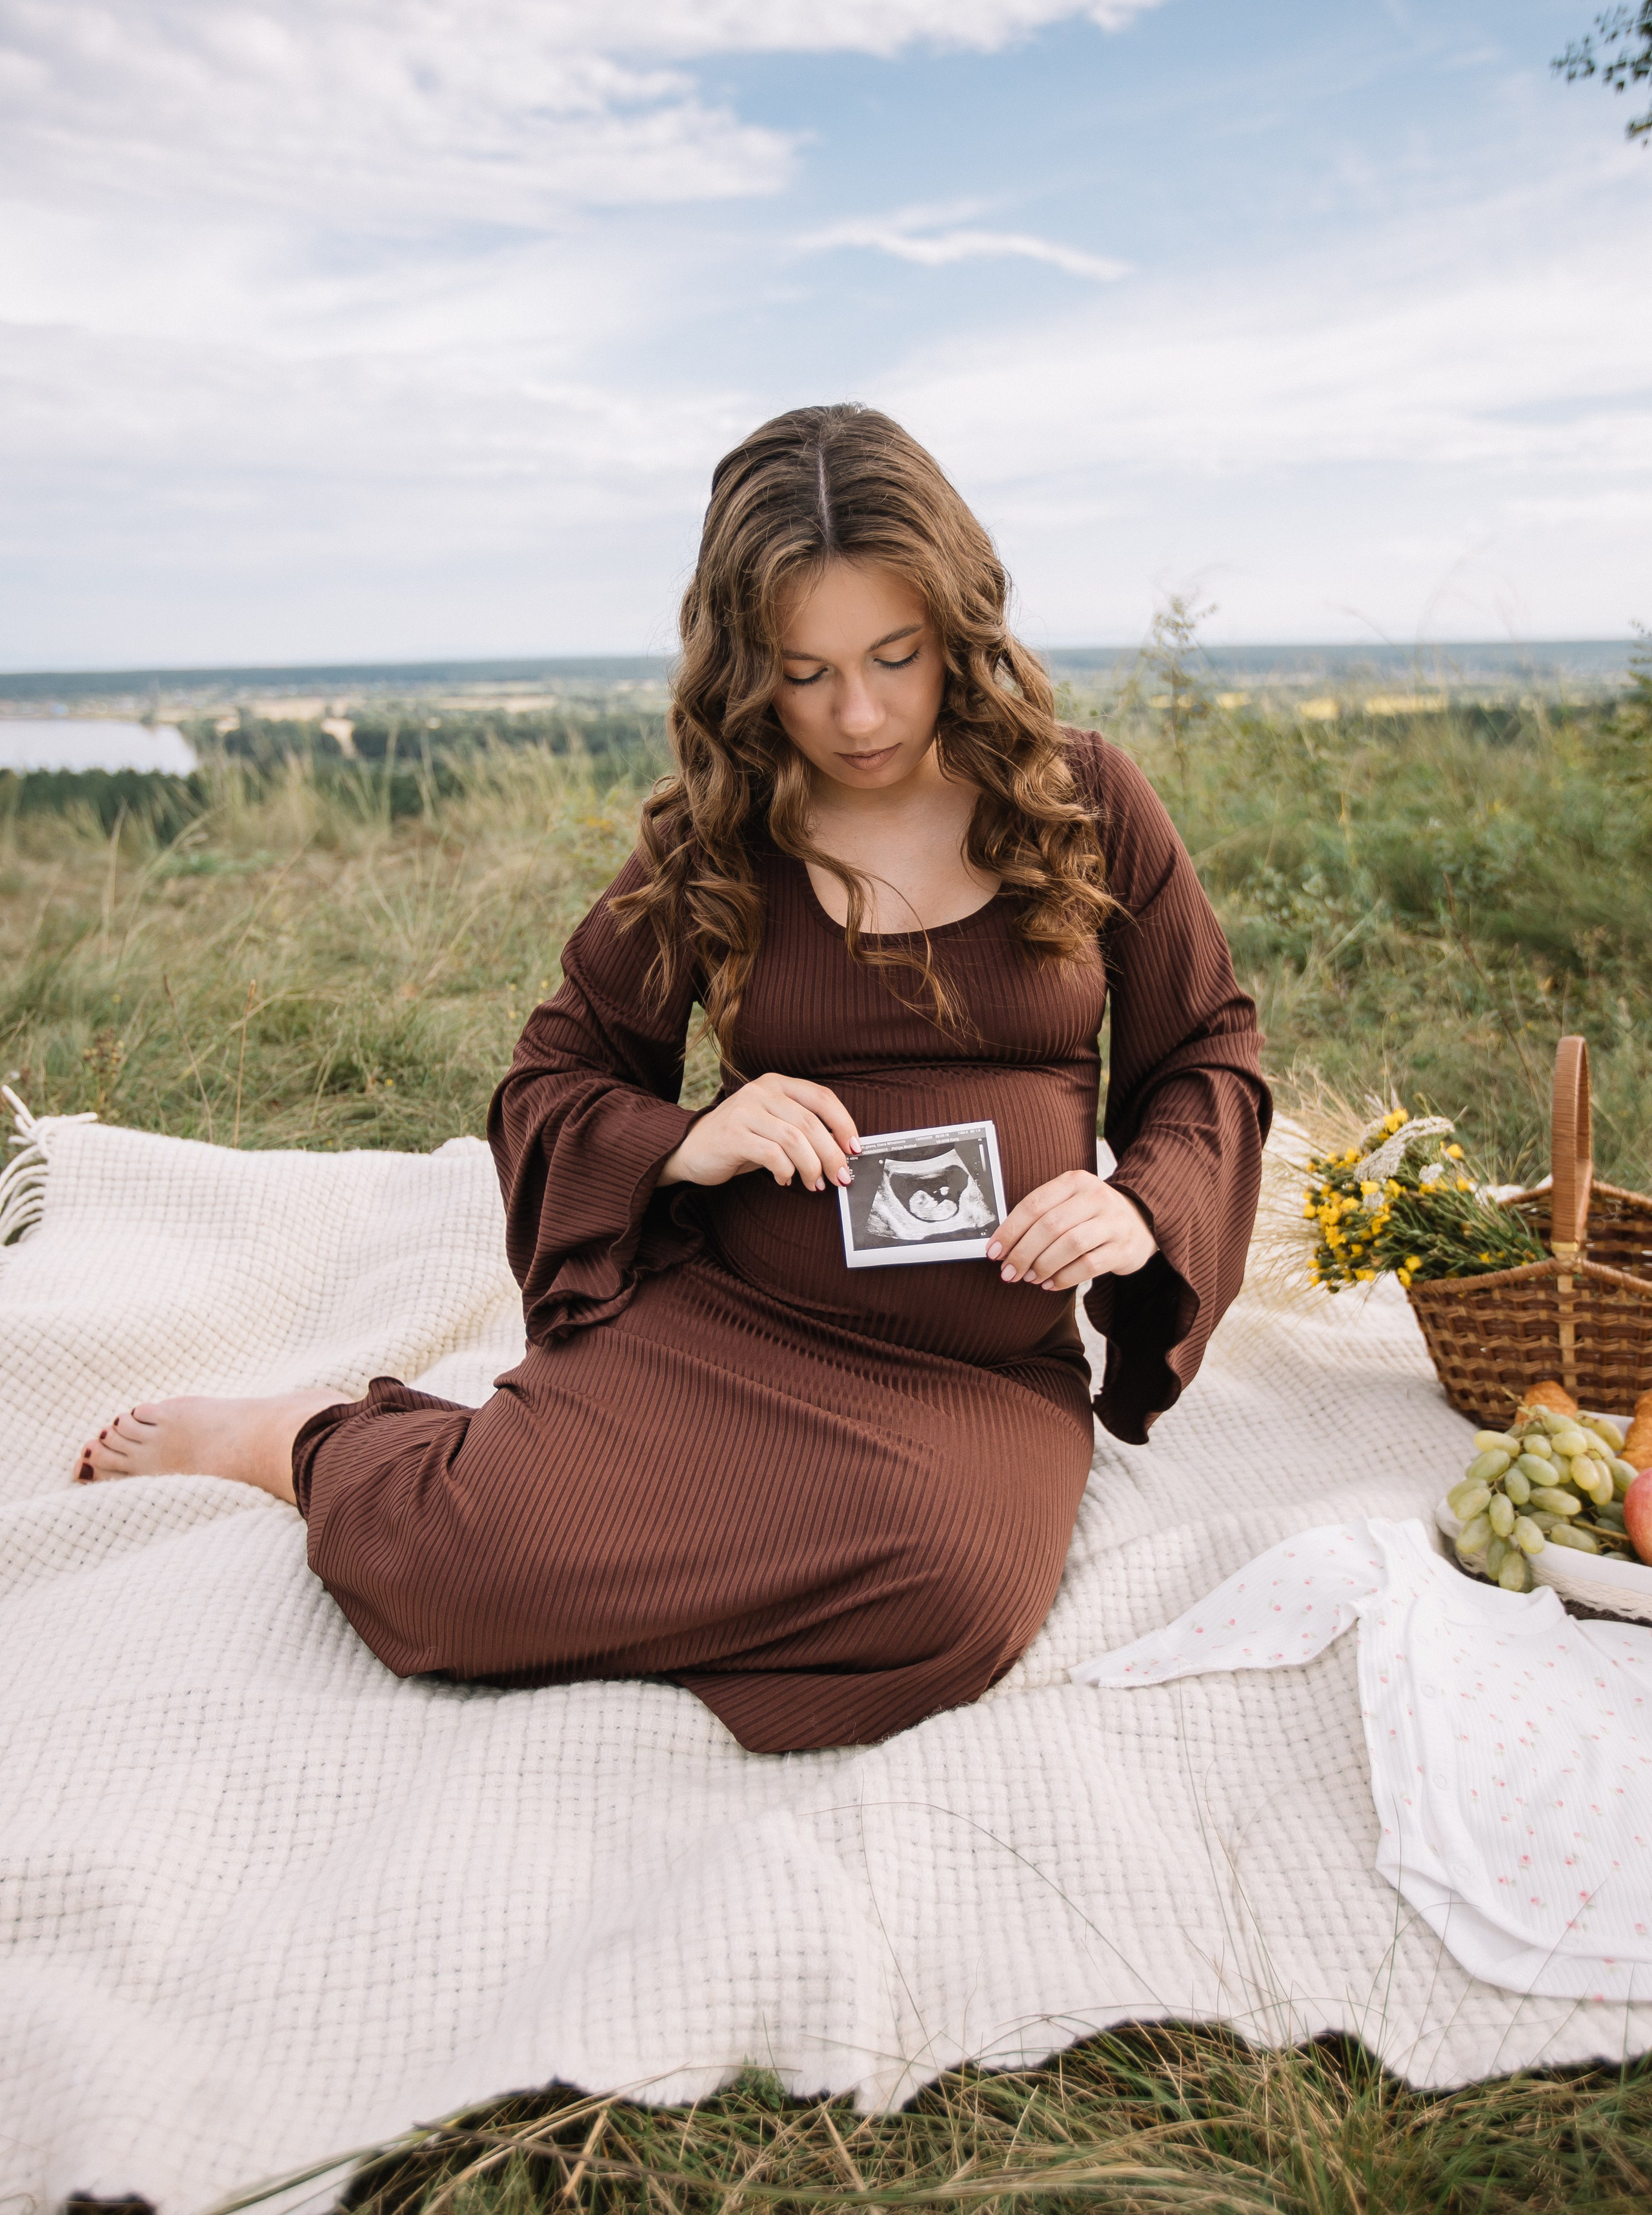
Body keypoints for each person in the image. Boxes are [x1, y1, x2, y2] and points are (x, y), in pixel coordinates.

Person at [75, 405, 1269, 1754]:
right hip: (739, 1321)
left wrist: (1141, 1206)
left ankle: (653, 1572)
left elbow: (1206, 1051)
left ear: (959, 626)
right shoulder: (721, 835)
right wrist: (688, 1140)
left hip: (972, 1375)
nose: (859, 714)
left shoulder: (1082, 800)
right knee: (456, 1573)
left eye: (896, 656)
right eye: (805, 673)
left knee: (956, 1604)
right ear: (747, 666)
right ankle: (304, 1442)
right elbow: (556, 1071)